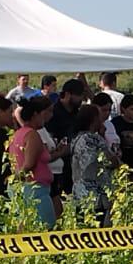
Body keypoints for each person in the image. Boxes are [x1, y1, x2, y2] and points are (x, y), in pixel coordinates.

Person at [11, 95, 57, 227]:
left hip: (26, 187)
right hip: (36, 188)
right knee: (45, 227)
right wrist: (18, 177)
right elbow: (29, 164)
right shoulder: (32, 134)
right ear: (35, 115)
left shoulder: (18, 133)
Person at [70, 104, 117, 224]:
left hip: (80, 194)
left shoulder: (76, 138)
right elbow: (107, 160)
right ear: (93, 119)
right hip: (94, 195)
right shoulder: (91, 139)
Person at [44, 79, 85, 214]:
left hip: (75, 165)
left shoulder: (77, 113)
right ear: (67, 94)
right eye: (79, 95)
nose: (81, 99)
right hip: (57, 167)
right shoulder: (53, 113)